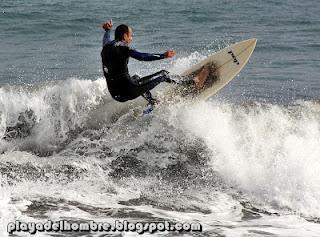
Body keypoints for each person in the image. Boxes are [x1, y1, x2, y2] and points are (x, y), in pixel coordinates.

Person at [101, 19, 209, 106]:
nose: (131, 38)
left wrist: (107, 30)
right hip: (129, 91)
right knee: (163, 74)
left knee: (136, 78)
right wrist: (163, 55)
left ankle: (153, 102)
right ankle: (196, 82)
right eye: (131, 35)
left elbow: (106, 38)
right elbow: (142, 57)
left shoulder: (106, 46)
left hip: (116, 95)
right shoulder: (123, 48)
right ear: (125, 36)